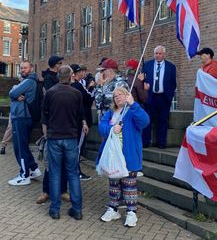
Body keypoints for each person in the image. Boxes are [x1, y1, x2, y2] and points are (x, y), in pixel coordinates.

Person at [42, 65, 88, 220]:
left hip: (54, 137)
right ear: (70, 76)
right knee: (73, 173)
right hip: (70, 137)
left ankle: (55, 210)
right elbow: (80, 114)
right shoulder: (76, 93)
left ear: (58, 76)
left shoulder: (50, 93)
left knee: (54, 173)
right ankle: (77, 209)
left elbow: (45, 114)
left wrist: (46, 133)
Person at [99, 87, 149, 227]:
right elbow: (101, 126)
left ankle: (131, 212)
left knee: (129, 184)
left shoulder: (132, 111)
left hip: (129, 154)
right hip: (113, 155)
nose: (118, 97)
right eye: (115, 96)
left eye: (121, 94)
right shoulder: (110, 113)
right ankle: (113, 208)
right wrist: (111, 129)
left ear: (127, 95)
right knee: (114, 183)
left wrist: (134, 105)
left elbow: (145, 121)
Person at [37, 55, 69, 204]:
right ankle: (46, 191)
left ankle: (62, 190)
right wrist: (45, 127)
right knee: (50, 162)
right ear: (55, 65)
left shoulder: (58, 79)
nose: (61, 65)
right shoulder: (49, 80)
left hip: (64, 126)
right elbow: (47, 105)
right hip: (51, 125)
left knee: (63, 162)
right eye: (59, 63)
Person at [8, 61, 41, 186]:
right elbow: (15, 93)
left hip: (22, 117)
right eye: (21, 68)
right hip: (22, 116)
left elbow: (12, 93)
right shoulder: (26, 81)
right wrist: (16, 91)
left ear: (31, 68)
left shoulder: (29, 81)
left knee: (19, 147)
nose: (22, 69)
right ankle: (33, 169)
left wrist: (15, 90)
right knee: (23, 146)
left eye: (25, 67)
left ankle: (24, 175)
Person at [142, 45, 176, 149]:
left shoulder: (171, 66)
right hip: (150, 97)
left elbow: (173, 83)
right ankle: (145, 142)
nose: (157, 55)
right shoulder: (147, 65)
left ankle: (161, 143)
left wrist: (169, 96)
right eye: (156, 53)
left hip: (164, 98)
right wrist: (144, 85)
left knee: (163, 121)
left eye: (160, 53)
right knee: (147, 120)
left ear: (164, 54)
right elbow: (142, 80)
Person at [70, 64, 94, 181]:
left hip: (73, 121)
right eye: (79, 72)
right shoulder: (77, 86)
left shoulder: (70, 85)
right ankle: (76, 171)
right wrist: (92, 87)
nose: (81, 74)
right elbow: (89, 99)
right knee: (78, 147)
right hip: (80, 120)